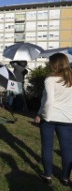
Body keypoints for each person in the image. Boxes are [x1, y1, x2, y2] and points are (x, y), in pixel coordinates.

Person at [34, 53, 72, 186]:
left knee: (47, 147)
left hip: (50, 118)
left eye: (50, 62)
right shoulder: (71, 78)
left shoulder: (50, 80)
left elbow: (49, 101)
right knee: (67, 149)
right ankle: (66, 178)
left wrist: (45, 116)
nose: (48, 64)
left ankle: (47, 175)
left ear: (55, 63)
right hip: (68, 119)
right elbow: (45, 99)